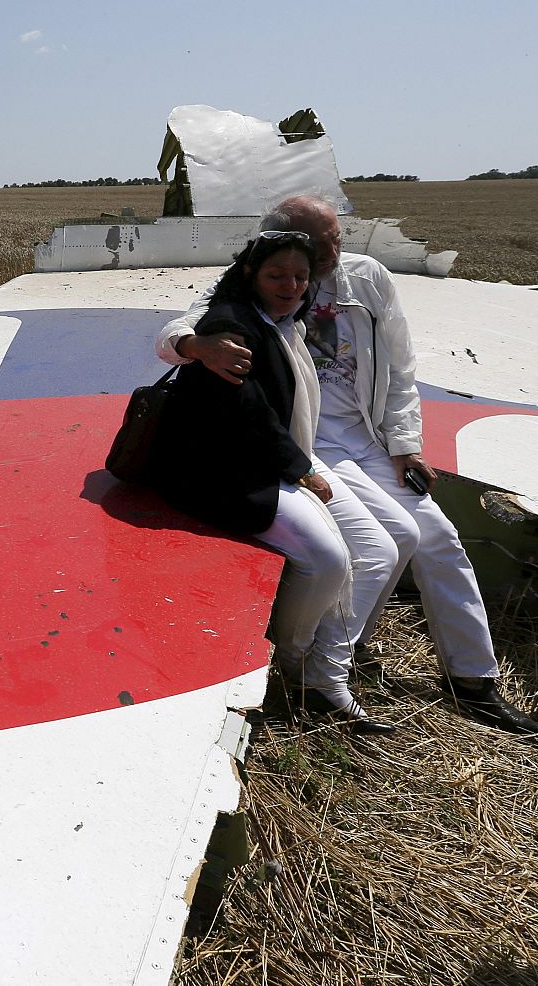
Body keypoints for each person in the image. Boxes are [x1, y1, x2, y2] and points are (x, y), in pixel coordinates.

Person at [157, 195, 538, 734]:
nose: (334, 251)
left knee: (437, 538)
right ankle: (323, 668)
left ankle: (471, 679)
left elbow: (402, 363)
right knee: (388, 541)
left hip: (367, 436)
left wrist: (405, 443)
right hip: (310, 439)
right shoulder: (266, 276)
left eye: (339, 238)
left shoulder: (369, 278)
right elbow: (182, 327)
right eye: (322, 243)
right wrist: (196, 345)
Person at [148, 230, 396, 734]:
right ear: (249, 275)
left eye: (300, 277)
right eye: (276, 275)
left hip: (270, 460)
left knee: (381, 549)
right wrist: (301, 469)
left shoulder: (284, 321)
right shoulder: (230, 326)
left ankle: (328, 662)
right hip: (223, 473)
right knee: (327, 559)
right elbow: (250, 413)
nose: (290, 285)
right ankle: (293, 661)